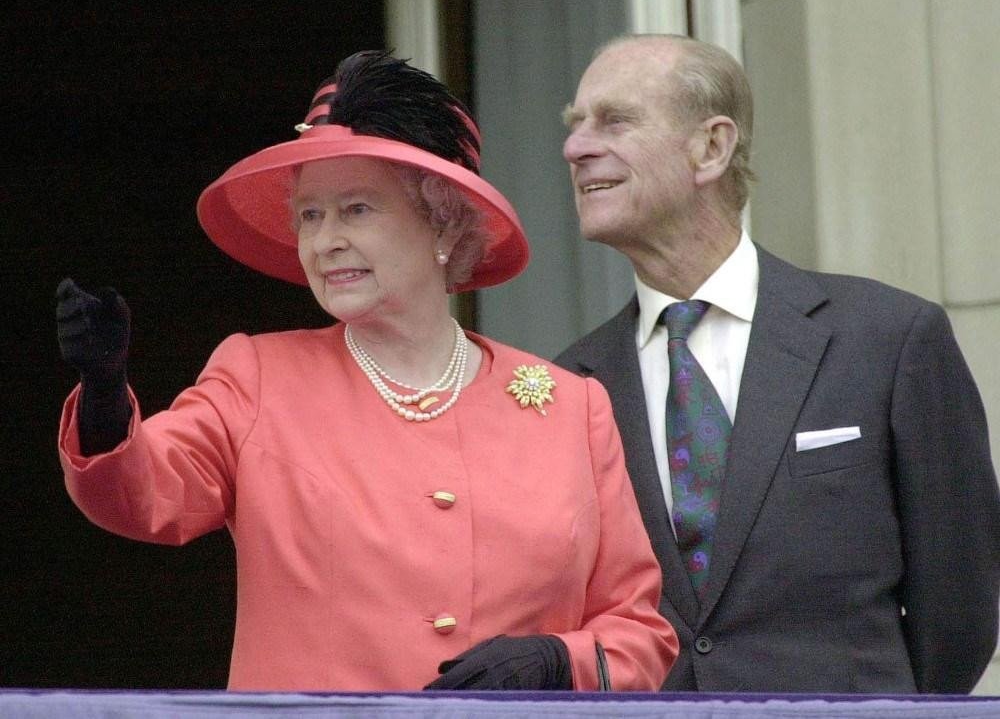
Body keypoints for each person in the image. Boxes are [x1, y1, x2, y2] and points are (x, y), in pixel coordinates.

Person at [55, 50, 677, 692]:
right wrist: (103, 395)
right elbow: (144, 497)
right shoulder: (259, 375)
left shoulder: (572, 409)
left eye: (357, 209)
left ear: (443, 224)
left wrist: (558, 662)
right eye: (310, 215)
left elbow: (640, 636)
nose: (326, 241)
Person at [555, 34, 1000, 693]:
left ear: (711, 146)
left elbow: (958, 611)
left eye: (614, 119)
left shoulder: (889, 339)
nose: (576, 146)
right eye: (574, 125)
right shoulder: (571, 384)